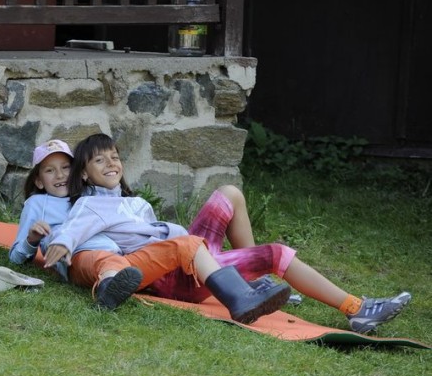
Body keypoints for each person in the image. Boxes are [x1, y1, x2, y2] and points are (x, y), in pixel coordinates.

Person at [44, 133, 411, 332]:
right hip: (175, 274)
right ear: (84, 174)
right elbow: (74, 228)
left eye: (114, 157)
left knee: (230, 194)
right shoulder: (91, 204)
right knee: (276, 253)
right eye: (99, 160)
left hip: (191, 254)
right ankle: (357, 309)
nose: (111, 163)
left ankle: (255, 283)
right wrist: (60, 244)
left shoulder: (135, 203)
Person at [9, 139, 144, 310]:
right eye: (50, 170)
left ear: (78, 172)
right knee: (106, 260)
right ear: (39, 181)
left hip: (119, 251)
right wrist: (32, 239)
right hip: (77, 257)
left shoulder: (89, 194)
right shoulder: (37, 203)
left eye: (66, 167)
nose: (60, 175)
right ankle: (108, 289)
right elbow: (15, 258)